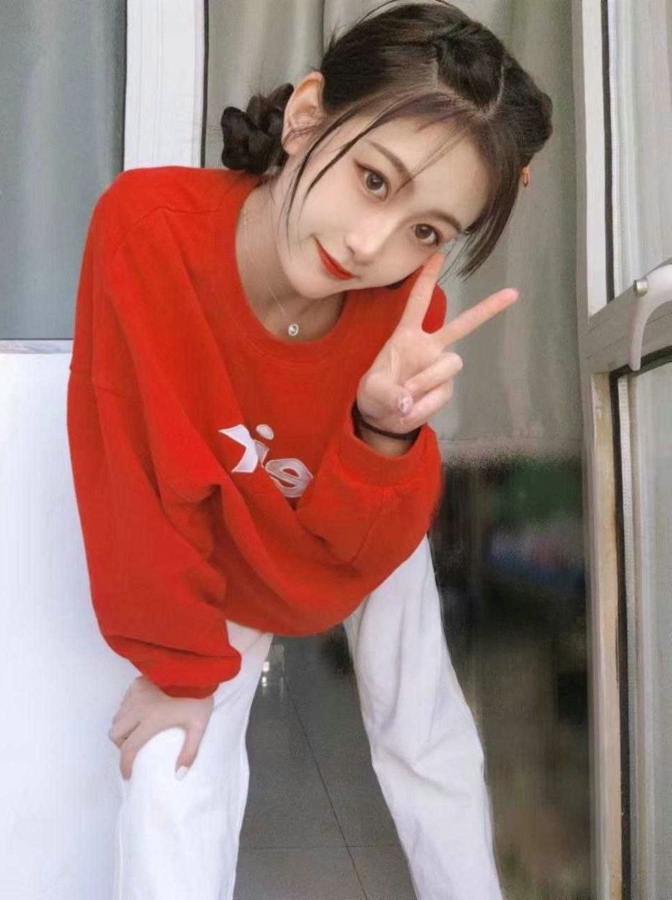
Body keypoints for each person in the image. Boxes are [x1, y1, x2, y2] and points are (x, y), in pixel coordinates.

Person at [66, 1, 553, 897]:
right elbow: (134, 479)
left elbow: (367, 542)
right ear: (305, 118)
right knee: (171, 765)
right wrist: (180, 669)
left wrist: (383, 429)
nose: (371, 245)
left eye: (426, 233)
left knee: (424, 728)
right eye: (372, 179)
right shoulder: (148, 228)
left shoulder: (404, 321)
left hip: (352, 513)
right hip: (226, 538)